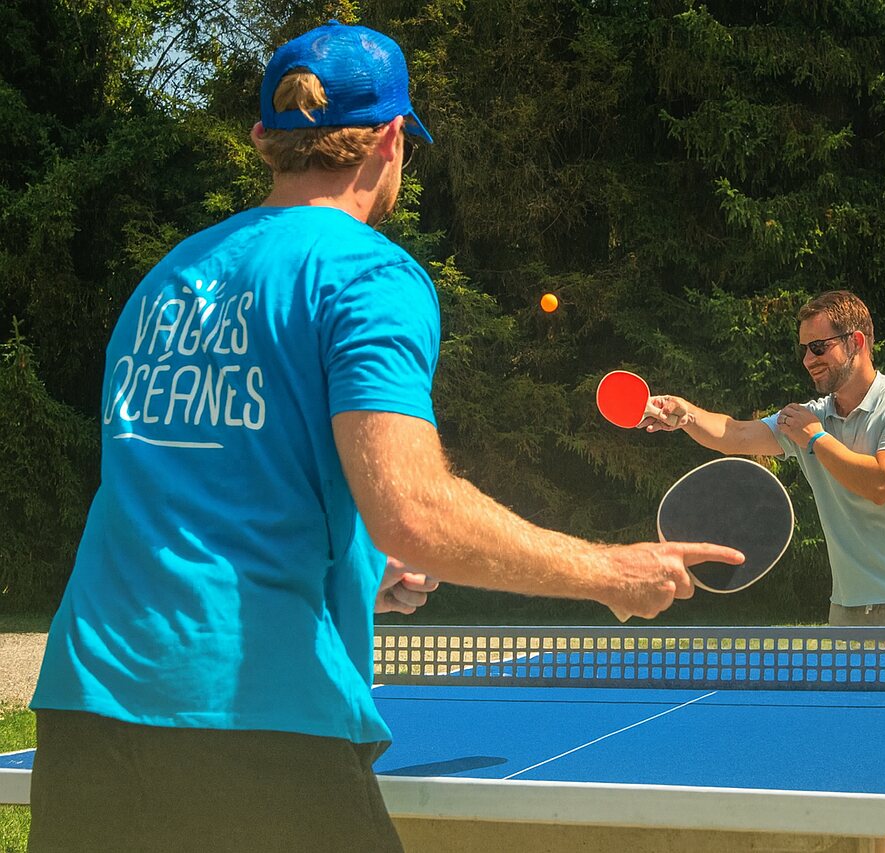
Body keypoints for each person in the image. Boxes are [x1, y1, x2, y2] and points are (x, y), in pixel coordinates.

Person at [27, 20, 741, 853]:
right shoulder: (368, 273)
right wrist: (609, 572)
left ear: (265, 137)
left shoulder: (167, 279)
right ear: (394, 140)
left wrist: (360, 572)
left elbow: (203, 492)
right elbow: (415, 514)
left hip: (88, 712)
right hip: (252, 717)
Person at [641, 289, 885, 853]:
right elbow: (737, 435)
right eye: (804, 351)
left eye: (819, 347)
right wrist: (683, 415)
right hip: (850, 611)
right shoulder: (807, 417)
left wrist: (813, 438)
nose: (809, 360)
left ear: (856, 342)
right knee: (863, 763)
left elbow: (882, 483)